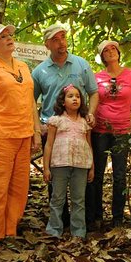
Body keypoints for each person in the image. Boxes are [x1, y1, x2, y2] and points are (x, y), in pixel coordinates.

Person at [0, 23, 41, 249]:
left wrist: (36, 132)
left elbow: (30, 100)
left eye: (10, 35)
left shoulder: (23, 66)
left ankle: (10, 230)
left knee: (19, 188)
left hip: (23, 134)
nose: (9, 38)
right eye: (2, 37)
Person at [32, 24, 99, 227]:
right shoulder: (39, 71)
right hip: (52, 129)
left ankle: (83, 223)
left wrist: (91, 115)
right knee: (56, 181)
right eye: (55, 39)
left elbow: (93, 92)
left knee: (82, 175)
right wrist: (38, 126)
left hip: (80, 128)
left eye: (63, 38)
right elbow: (29, 102)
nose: (61, 42)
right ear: (47, 44)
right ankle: (58, 223)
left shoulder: (81, 64)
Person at [88, 40, 131, 229]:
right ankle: (96, 216)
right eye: (106, 50)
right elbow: (93, 101)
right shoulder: (96, 77)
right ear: (101, 56)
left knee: (119, 175)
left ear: (119, 53)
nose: (110, 52)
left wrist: (120, 116)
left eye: (113, 49)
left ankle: (117, 217)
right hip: (100, 131)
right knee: (97, 174)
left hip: (122, 130)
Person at [43, 84, 94, 238]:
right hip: (59, 164)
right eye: (70, 96)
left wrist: (92, 168)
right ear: (63, 101)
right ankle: (54, 229)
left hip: (81, 165)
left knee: (79, 199)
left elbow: (89, 145)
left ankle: (78, 232)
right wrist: (46, 167)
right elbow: (49, 144)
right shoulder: (56, 121)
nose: (74, 99)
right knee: (58, 198)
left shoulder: (85, 122)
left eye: (78, 96)